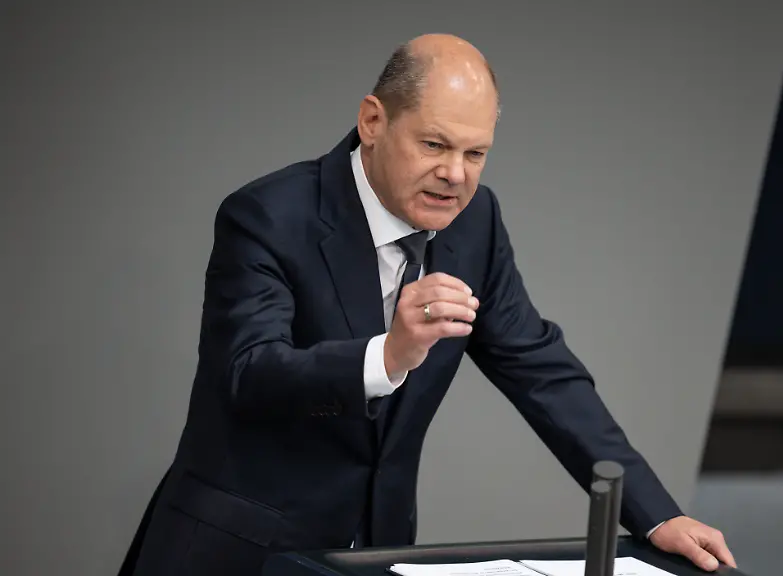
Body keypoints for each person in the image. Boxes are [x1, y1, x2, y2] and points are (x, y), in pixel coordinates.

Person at [122, 33, 737, 576]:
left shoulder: (476, 225)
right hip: (240, 553)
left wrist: (657, 518)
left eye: (476, 154)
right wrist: (387, 355)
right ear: (372, 121)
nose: (456, 175)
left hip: (374, 555)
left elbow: (544, 373)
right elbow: (248, 372)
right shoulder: (267, 216)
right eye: (435, 145)